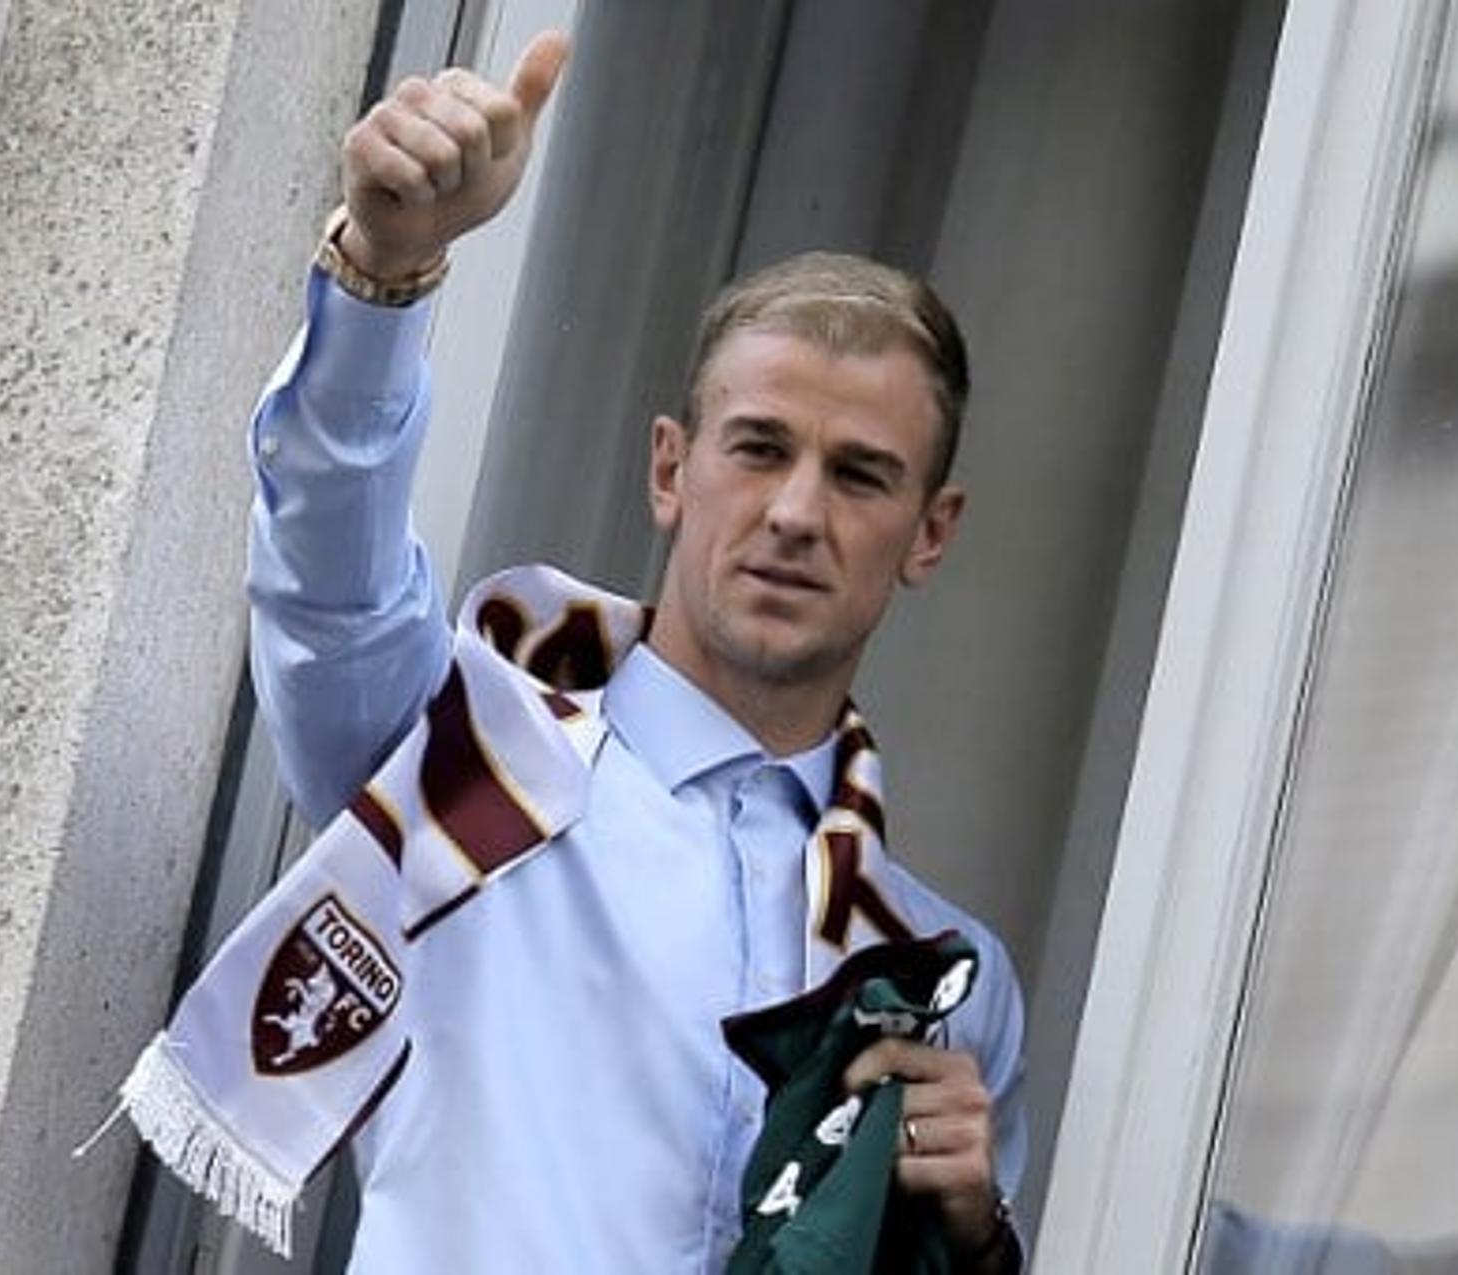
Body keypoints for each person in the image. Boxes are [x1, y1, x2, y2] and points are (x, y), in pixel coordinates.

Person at [232, 30, 1026, 1272]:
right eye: (759, 448)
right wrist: (388, 270)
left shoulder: (941, 978)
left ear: (931, 533)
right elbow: (327, 596)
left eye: (860, 475)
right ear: (672, 469)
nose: (796, 513)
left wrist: (971, 1238)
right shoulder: (469, 765)